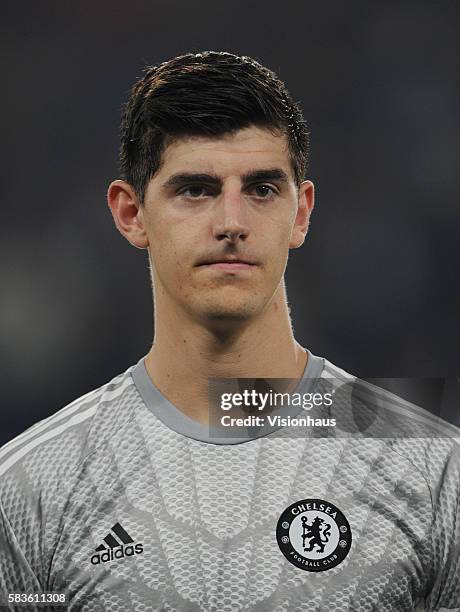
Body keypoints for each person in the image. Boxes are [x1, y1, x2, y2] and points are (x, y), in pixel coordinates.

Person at [0, 51, 458, 612]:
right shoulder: (32, 489)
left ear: (302, 211)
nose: (232, 224)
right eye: (196, 189)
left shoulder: (432, 468)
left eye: (262, 189)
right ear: (131, 213)